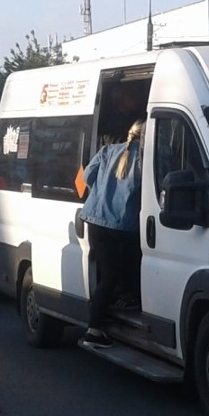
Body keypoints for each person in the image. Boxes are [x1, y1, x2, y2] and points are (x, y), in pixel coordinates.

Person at [77, 119, 144, 348]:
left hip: (96, 220)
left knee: (107, 275)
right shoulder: (146, 159)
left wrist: (102, 191)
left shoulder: (107, 150)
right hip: (123, 225)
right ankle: (93, 330)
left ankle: (102, 319)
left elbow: (86, 178)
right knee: (119, 273)